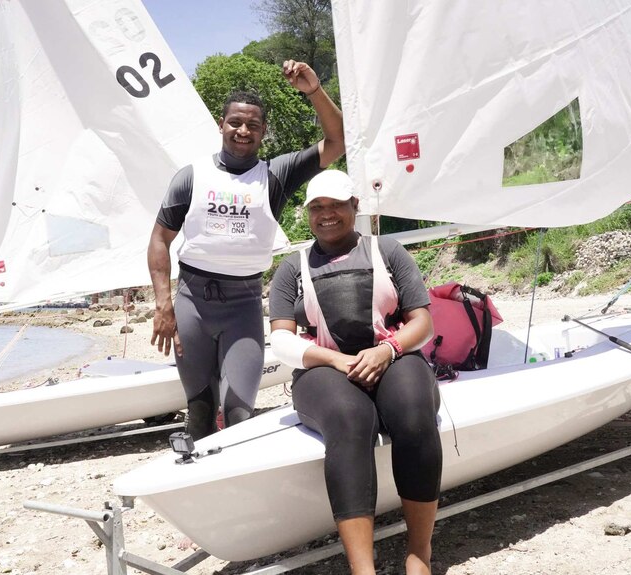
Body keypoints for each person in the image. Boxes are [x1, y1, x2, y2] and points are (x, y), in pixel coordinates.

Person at [148, 60, 345, 441]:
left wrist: (314, 91)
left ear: (263, 132)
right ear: (221, 125)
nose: (243, 131)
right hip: (192, 304)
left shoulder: (275, 175)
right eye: (235, 123)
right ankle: (200, 488)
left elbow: (337, 142)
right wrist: (163, 303)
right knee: (200, 411)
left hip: (244, 306)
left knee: (240, 412)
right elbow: (160, 239)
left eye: (253, 125)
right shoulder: (190, 177)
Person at [268, 170, 441, 575]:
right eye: (317, 208)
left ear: (354, 207)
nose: (326, 215)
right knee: (350, 419)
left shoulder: (389, 251)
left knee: (414, 413)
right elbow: (281, 341)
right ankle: (363, 569)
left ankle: (419, 553)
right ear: (308, 214)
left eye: (335, 206)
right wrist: (336, 361)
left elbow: (422, 323)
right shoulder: (291, 268)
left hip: (392, 356)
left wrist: (388, 349)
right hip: (324, 369)